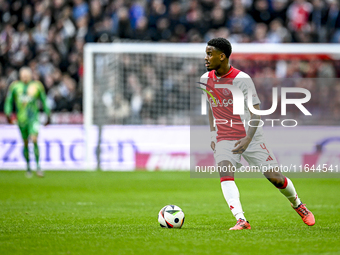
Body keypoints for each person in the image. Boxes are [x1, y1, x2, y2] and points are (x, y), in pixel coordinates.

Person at [200, 38, 315, 230]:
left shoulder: (241, 79)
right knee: (225, 173)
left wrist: (247, 138)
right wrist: (213, 135)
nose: (206, 57)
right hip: (224, 137)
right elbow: (211, 107)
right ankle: (241, 219)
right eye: (206, 53)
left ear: (222, 56)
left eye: (210, 53)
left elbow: (255, 110)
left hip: (249, 135)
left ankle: (298, 205)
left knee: (275, 177)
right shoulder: (206, 79)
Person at [4, 67, 51, 178]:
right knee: (25, 142)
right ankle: (28, 167)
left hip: (33, 118)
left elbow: (44, 100)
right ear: (20, 76)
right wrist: (8, 113)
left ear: (30, 75)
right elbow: (9, 101)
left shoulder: (37, 86)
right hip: (21, 119)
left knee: (34, 139)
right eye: (23, 75)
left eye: (26, 74)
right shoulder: (15, 87)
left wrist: (48, 114)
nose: (24, 77)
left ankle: (38, 167)